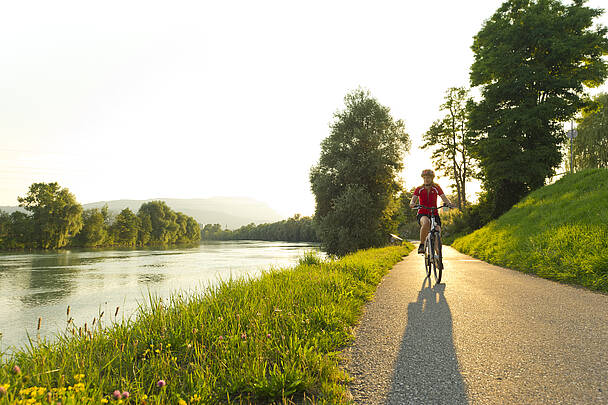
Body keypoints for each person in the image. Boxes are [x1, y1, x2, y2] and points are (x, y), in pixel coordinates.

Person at [409, 169, 454, 256]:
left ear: (432, 178)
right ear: (423, 178)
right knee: (426, 223)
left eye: (428, 177)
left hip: (434, 213)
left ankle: (438, 257)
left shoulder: (436, 188)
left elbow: (443, 197)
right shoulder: (419, 189)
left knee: (437, 230)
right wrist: (412, 204)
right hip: (422, 213)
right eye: (425, 177)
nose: (426, 179)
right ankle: (422, 245)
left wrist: (449, 204)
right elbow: (413, 200)